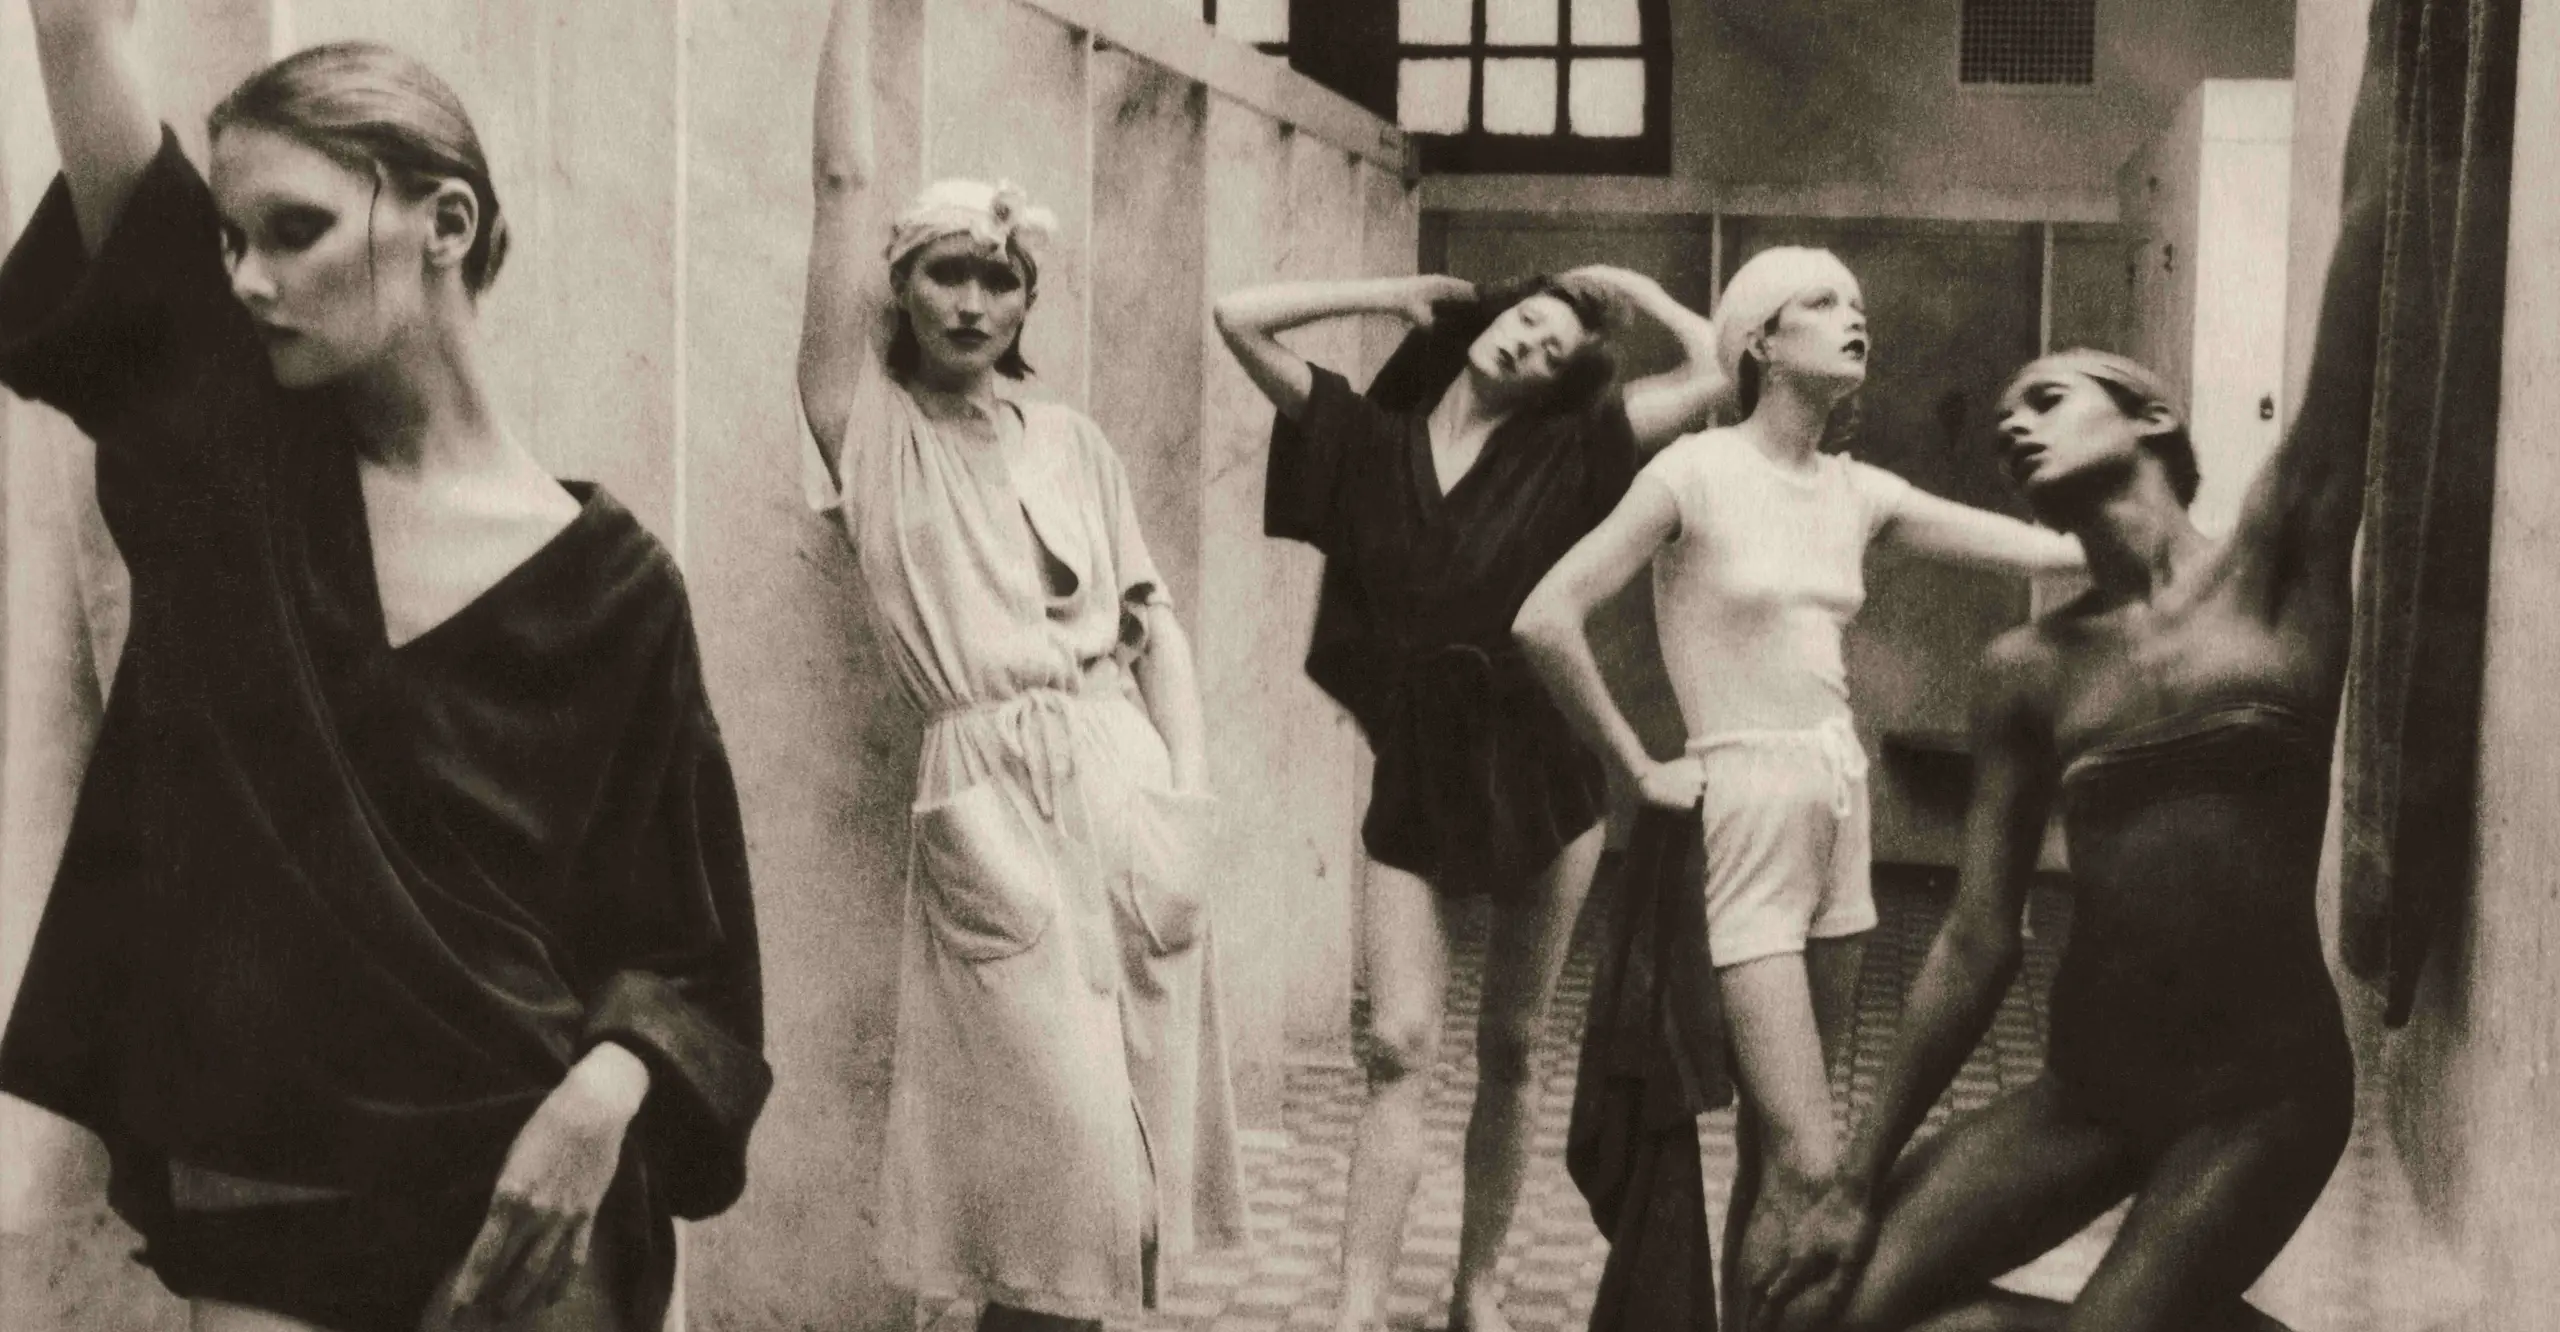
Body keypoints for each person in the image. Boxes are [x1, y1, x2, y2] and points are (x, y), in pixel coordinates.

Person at [0, 7, 771, 1332]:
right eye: (228, 241)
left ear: (446, 223)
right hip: (269, 1183)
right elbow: (73, 24)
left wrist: (607, 1091)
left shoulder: (621, 587)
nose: (244, 276)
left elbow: (690, 957)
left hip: (530, 1189)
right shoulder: (227, 463)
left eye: (293, 230)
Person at [1742, 117, 2390, 1332]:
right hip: (2086, 1091)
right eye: (2002, 430)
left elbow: (2364, 250)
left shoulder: (2278, 567)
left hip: (2259, 1100)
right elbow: (1973, 942)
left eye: (2045, 398)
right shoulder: (2026, 668)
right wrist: (1850, 1180)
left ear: (2149, 417)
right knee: (1808, 1315)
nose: (2014, 427)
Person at [1512, 245, 2085, 1328]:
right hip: (1742, 810)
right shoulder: (1692, 472)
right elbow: (1545, 615)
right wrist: (1641, 768)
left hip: (1838, 802)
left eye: (1858, 302)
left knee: (1780, 1168)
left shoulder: (1857, 490)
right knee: (1816, 1168)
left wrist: (2181, 539)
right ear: (1761, 342)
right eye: (1821, 302)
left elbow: (2043, 552)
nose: (1852, 315)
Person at [794, 1, 1243, 1326]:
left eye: (1001, 278)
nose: (974, 301)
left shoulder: (1076, 443)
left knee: (1119, 1207)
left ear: (1028, 298)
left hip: (1122, 792)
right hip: (990, 800)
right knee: (1057, 1188)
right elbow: (838, 185)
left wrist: (1185, 798)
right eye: (947, 272)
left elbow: (1157, 633)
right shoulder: (865, 426)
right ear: (899, 284)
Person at [1213, 257, 1727, 1332]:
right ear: (1489, 318)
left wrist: (1629, 288)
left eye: (1551, 354)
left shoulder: (1571, 448)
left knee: (1512, 1044)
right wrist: (1384, 295)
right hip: (1420, 767)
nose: (1528, 350)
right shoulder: (1365, 439)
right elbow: (1239, 316)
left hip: (1545, 769)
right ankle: (1358, 1308)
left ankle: (1477, 1287)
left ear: (1555, 386)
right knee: (1398, 1040)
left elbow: (1720, 368)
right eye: (1525, 325)